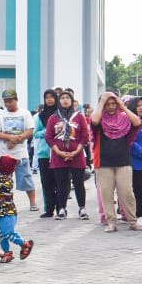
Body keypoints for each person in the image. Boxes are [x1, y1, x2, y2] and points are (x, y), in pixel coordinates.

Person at [90, 92, 142, 234]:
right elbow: (94, 121)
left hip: (123, 161)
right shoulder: (100, 119)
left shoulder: (124, 118)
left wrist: (123, 106)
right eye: (107, 104)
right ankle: (111, 222)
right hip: (103, 162)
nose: (111, 107)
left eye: (113, 103)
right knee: (106, 194)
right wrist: (101, 102)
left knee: (127, 193)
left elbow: (137, 122)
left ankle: (133, 221)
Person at [0, 89, 36, 217]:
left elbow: (30, 130)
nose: (8, 104)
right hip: (3, 154)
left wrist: (16, 140)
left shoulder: (25, 113)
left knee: (26, 179)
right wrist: (11, 138)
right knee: (0, 181)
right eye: (6, 101)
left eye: (10, 101)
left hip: (21, 154)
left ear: (16, 100)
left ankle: (33, 203)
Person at [44, 91, 90, 219]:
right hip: (59, 156)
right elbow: (48, 136)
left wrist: (76, 151)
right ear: (59, 101)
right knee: (61, 184)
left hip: (77, 155)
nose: (65, 100)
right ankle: (62, 209)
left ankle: (82, 209)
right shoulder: (53, 117)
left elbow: (85, 136)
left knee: (79, 183)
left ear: (72, 100)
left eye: (67, 98)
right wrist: (58, 151)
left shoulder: (79, 116)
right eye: (62, 98)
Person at [0, 157, 35, 262]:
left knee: (8, 233)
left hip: (8, 212)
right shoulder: (0, 178)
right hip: (1, 211)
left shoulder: (7, 180)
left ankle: (25, 244)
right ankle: (7, 253)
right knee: (2, 234)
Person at [34, 90, 60, 217]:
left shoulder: (60, 114)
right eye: (46, 97)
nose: (49, 99)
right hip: (44, 153)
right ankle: (49, 209)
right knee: (46, 182)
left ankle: (61, 208)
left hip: (59, 153)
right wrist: (48, 131)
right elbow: (35, 133)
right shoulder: (40, 116)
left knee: (60, 182)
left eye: (51, 97)